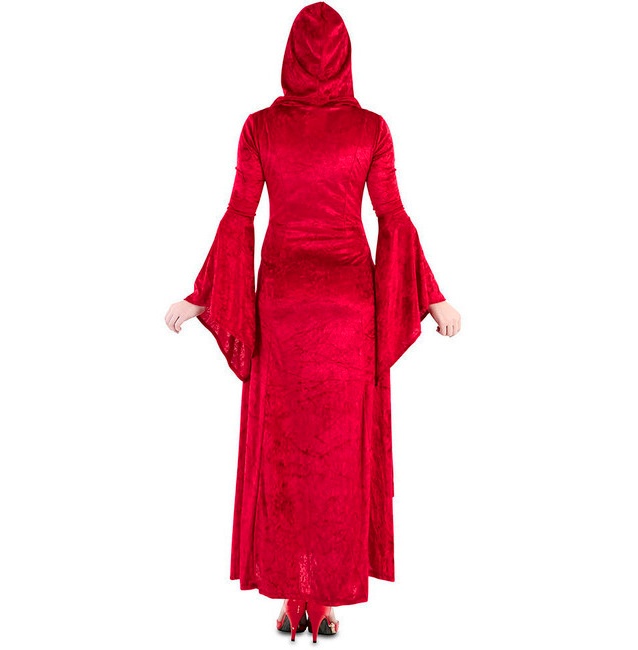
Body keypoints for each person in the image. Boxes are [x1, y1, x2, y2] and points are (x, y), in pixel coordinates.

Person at [164, 1, 461, 642]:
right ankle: (322, 601)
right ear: (346, 57)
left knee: (284, 455)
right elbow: (392, 216)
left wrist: (203, 295)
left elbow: (240, 215)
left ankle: (294, 598)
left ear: (290, 56)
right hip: (350, 311)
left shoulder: (260, 127)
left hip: (283, 308)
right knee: (339, 455)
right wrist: (431, 297)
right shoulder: (371, 128)